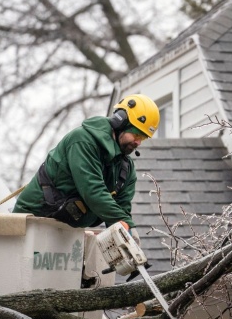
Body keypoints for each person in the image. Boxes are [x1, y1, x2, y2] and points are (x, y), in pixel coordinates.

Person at [13, 94, 159, 232]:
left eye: (143, 138)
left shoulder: (126, 169)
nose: (138, 142)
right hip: (31, 221)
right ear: (120, 121)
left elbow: (121, 209)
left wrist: (127, 231)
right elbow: (93, 190)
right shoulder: (82, 142)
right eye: (137, 134)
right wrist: (125, 223)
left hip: (66, 229)